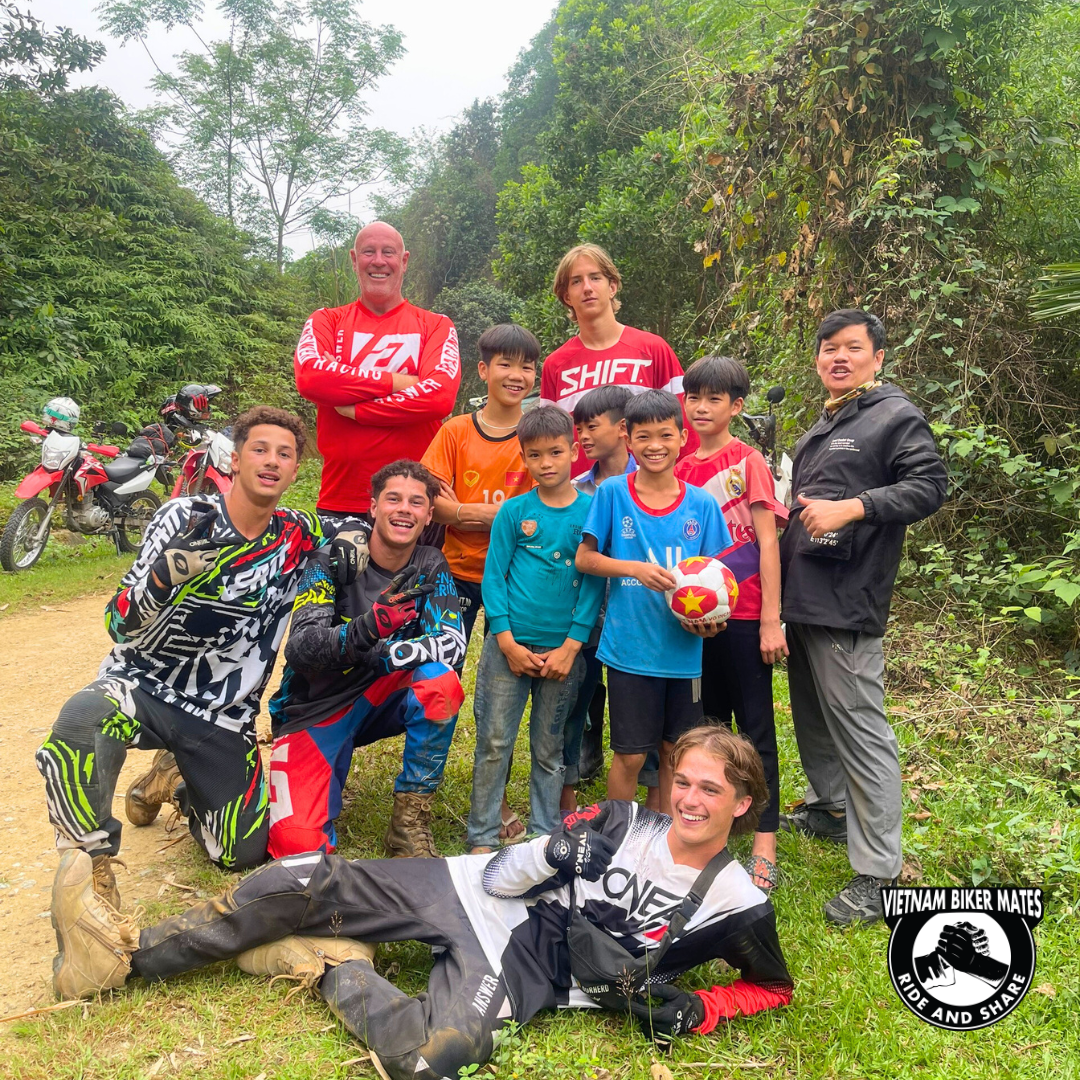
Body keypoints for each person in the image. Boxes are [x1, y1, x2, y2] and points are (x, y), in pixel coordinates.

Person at [49, 724, 793, 1080]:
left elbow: (772, 987)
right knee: (303, 878)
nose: (689, 800)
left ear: (744, 803)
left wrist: (705, 1010)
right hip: (476, 892)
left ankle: (332, 968)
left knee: (432, 1063)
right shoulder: (622, 819)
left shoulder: (734, 901)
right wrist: (551, 852)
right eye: (683, 783)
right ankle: (125, 955)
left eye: (710, 789)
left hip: (530, 967)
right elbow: (504, 878)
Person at [35, 408, 357, 906]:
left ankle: (179, 777)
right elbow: (116, 623)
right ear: (235, 459)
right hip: (141, 687)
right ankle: (91, 872)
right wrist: (163, 578)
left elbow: (365, 524)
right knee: (80, 721)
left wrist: (352, 540)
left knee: (242, 852)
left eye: (284, 454)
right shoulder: (182, 518)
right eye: (259, 449)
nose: (271, 461)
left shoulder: (297, 532)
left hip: (222, 715)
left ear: (295, 471)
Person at [779, 308, 947, 925]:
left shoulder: (893, 417)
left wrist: (853, 507)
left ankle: (880, 874)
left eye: (852, 348)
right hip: (805, 595)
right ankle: (828, 809)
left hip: (849, 599)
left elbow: (930, 486)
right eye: (828, 349)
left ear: (877, 357)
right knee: (815, 715)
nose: (838, 358)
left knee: (860, 728)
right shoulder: (824, 424)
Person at [267, 460, 466, 860]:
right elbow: (302, 646)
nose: (404, 509)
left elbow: (453, 644)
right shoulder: (330, 561)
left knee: (439, 683)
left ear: (429, 515)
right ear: (373, 507)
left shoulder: (429, 563)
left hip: (380, 695)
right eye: (393, 499)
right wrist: (367, 628)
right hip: (316, 705)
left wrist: (382, 653)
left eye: (416, 502)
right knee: (298, 847)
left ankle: (408, 824)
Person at [576, 390, 731, 813]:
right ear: (628, 439)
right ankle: (615, 840)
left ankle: (662, 836)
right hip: (629, 650)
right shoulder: (612, 493)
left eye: (666, 435)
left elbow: (718, 583)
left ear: (684, 438)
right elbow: (585, 558)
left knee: (674, 753)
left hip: (684, 656)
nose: (655, 445)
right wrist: (634, 569)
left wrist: (712, 623)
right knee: (628, 754)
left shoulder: (701, 504)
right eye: (644, 437)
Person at [421, 323, 540, 843]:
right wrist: (505, 516)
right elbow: (437, 506)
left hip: (517, 582)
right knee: (438, 680)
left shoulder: (540, 436)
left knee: (502, 697)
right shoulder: (454, 432)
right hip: (454, 576)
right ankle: (418, 795)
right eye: (506, 364)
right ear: (484, 370)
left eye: (527, 366)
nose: (517, 375)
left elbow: (544, 514)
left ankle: (495, 800)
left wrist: (465, 512)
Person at [675, 356, 789, 891]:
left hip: (745, 618)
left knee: (756, 726)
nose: (701, 408)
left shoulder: (749, 463)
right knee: (709, 727)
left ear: (736, 407)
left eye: (714, 399)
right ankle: (714, 834)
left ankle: (765, 842)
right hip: (695, 623)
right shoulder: (674, 463)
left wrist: (771, 620)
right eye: (693, 397)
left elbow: (769, 541)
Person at [467, 407, 604, 852]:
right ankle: (483, 834)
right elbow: (494, 577)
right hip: (508, 648)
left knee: (550, 748)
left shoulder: (591, 512)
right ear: (523, 458)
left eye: (555, 452)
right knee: (493, 741)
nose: (546, 463)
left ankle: (545, 837)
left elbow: (593, 585)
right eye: (535, 455)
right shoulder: (513, 511)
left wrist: (571, 646)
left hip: (563, 652)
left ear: (573, 452)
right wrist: (504, 639)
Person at [294, 221, 461, 537]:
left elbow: (440, 396)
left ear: (405, 261)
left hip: (417, 502)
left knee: (415, 588)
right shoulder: (326, 321)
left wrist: (357, 408)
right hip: (341, 500)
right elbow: (312, 378)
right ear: (354, 260)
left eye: (389, 252)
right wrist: (402, 382)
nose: (379, 261)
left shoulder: (436, 325)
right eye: (369, 252)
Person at [563, 384, 658, 808]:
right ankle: (583, 754)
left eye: (590, 426)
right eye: (577, 427)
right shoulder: (577, 489)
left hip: (641, 614)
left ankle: (652, 778)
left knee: (641, 698)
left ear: (623, 429)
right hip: (585, 613)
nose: (581, 436)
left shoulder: (655, 480)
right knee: (580, 691)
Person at [538, 243, 698, 475]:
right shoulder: (555, 365)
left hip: (649, 499)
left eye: (595, 278)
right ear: (567, 297)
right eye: (576, 281)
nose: (587, 288)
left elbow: (686, 430)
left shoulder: (653, 349)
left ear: (612, 286)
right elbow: (549, 442)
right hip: (581, 501)